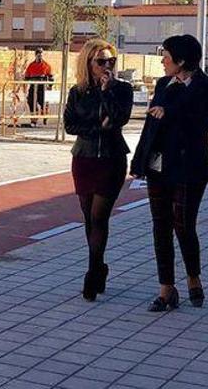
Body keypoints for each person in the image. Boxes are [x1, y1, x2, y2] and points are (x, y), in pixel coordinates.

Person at [131, 34, 208, 312]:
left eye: (166, 56)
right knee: (160, 226)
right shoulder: (162, 84)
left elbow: (202, 125)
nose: (162, 61)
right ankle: (166, 288)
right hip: (159, 165)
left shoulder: (206, 86)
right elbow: (151, 126)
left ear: (180, 61)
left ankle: (193, 277)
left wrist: (169, 112)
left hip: (190, 167)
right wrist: (138, 163)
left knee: (183, 224)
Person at [64, 39, 134, 302]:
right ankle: (100, 266)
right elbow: (70, 124)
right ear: (88, 63)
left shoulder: (123, 89)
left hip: (111, 159)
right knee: (88, 218)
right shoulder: (77, 91)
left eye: (111, 61)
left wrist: (107, 90)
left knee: (99, 217)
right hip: (83, 159)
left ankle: (92, 274)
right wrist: (98, 127)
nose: (107, 66)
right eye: (101, 61)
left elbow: (119, 119)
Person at [24, 48, 53, 126]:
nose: (40, 56)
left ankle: (45, 117)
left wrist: (50, 86)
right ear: (35, 55)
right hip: (33, 86)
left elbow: (51, 77)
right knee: (31, 101)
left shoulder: (46, 65)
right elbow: (26, 77)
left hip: (42, 87)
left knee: (43, 103)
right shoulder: (31, 65)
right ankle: (34, 120)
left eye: (41, 55)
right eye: (38, 55)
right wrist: (25, 86)